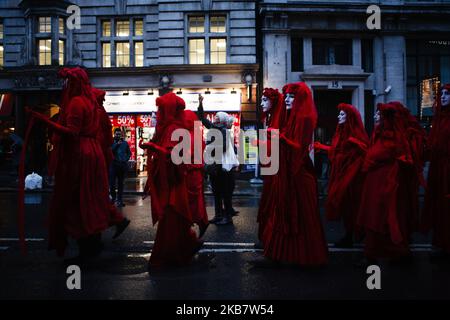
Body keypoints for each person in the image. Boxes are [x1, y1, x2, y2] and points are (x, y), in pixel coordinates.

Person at [27, 67, 111, 264]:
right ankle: (92, 243)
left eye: (68, 83)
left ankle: (85, 248)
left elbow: (72, 132)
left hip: (80, 153)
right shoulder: (91, 102)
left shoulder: (76, 102)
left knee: (77, 199)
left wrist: (45, 121)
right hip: (93, 151)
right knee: (90, 198)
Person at [258, 82, 328, 267]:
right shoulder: (291, 117)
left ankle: (304, 254)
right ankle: (285, 252)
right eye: (286, 96)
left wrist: (279, 137)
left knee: (301, 214)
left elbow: (299, 147)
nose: (287, 99)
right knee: (288, 211)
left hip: (299, 172)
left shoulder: (304, 119)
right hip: (290, 171)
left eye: (291, 97)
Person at [144, 92, 203, 268]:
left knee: (172, 217)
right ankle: (184, 247)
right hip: (172, 180)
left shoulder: (172, 129)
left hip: (173, 182)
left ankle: (173, 253)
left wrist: (152, 147)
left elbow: (175, 157)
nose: (158, 112)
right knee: (173, 219)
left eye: (161, 109)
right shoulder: (171, 127)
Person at [357, 102, 413, 265]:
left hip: (383, 182)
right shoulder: (380, 134)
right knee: (375, 217)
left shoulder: (390, 137)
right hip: (376, 181)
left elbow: (377, 156)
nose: (374, 116)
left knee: (377, 217)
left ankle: (376, 254)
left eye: (378, 114)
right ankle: (385, 253)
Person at [314, 103, 369, 248]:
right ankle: (350, 235)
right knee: (345, 206)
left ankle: (357, 234)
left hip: (351, 178)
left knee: (352, 206)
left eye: (342, 114)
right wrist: (322, 147)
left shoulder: (355, 133)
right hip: (340, 173)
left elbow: (361, 152)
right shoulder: (341, 132)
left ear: (349, 117)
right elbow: (337, 151)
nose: (338, 116)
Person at [92, 87, 130, 238]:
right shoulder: (100, 114)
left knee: (95, 192)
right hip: (108, 161)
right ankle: (113, 215)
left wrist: (124, 158)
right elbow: (109, 141)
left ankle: (109, 220)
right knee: (106, 186)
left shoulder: (98, 113)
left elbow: (126, 152)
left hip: (102, 158)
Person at [197, 94, 237, 225]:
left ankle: (227, 217)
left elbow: (224, 147)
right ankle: (218, 215)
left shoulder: (224, 131)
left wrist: (210, 148)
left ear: (223, 120)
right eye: (215, 117)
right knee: (216, 192)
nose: (215, 119)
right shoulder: (214, 128)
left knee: (225, 193)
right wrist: (200, 103)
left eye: (217, 117)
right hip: (215, 167)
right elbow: (202, 118)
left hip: (223, 168)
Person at [422, 84, 450, 261]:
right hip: (439, 168)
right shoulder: (439, 119)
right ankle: (441, 242)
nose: (444, 96)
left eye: (448, 94)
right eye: (442, 94)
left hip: (448, 168)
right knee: (439, 205)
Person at [256, 88, 286, 243]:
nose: (261, 103)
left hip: (276, 170)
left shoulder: (278, 120)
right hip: (269, 168)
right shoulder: (269, 119)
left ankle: (271, 239)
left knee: (273, 203)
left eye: (265, 100)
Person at [183, 109, 209, 238]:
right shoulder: (195, 134)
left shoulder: (191, 136)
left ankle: (193, 224)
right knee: (196, 200)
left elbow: (187, 155)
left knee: (191, 201)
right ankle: (200, 221)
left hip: (191, 172)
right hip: (194, 171)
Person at [110, 128, 131, 207]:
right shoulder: (111, 142)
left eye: (119, 134)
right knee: (112, 184)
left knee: (120, 184)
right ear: (114, 134)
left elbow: (129, 153)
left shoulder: (125, 143)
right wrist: (117, 144)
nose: (118, 135)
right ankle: (113, 197)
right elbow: (110, 151)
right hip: (113, 165)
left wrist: (125, 159)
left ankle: (119, 200)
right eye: (117, 134)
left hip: (122, 165)